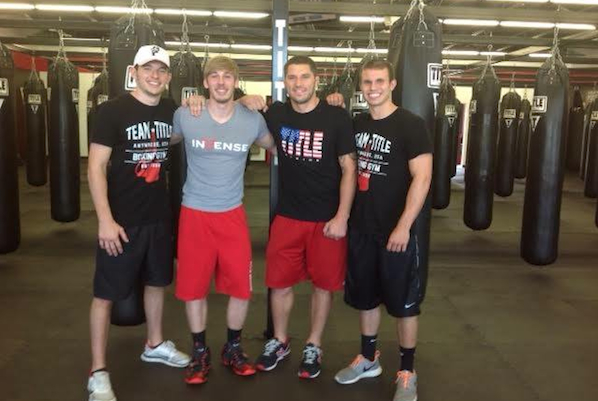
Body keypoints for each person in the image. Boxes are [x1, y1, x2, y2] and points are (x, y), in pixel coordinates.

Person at [239, 55, 357, 379]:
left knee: (323, 286)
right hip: (288, 216)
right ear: (285, 82)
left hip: (326, 219)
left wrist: (342, 216)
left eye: (304, 77)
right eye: (292, 77)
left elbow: (349, 167)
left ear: (315, 80)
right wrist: (243, 97)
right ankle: (279, 340)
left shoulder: (336, 117)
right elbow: (236, 107)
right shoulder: (276, 112)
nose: (298, 83)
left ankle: (314, 344)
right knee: (278, 284)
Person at [87, 45, 190, 401]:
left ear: (169, 76)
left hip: (159, 217)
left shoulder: (170, 110)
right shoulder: (111, 111)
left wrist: (203, 105)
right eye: (149, 68)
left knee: (157, 282)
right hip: (121, 220)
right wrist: (104, 220)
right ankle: (98, 371)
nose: (155, 75)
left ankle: (155, 343)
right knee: (105, 296)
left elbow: (176, 136)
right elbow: (96, 166)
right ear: (134, 70)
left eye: (162, 70)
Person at [327, 60, 432, 401]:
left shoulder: (411, 125)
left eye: (379, 81)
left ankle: (407, 370)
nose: (373, 87)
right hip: (362, 229)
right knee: (366, 299)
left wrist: (404, 226)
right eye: (367, 82)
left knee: (404, 305)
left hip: (395, 232)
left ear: (392, 84)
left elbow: (423, 177)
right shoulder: (356, 123)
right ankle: (369, 358)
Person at [171, 56, 275, 385]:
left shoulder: (251, 119)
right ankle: (200, 352)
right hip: (194, 214)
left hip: (232, 214)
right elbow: (160, 139)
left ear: (235, 82)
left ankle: (232, 347)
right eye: (213, 76)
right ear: (204, 83)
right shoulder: (187, 115)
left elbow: (278, 143)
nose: (220, 82)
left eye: (226, 77)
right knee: (193, 290)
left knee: (241, 289)